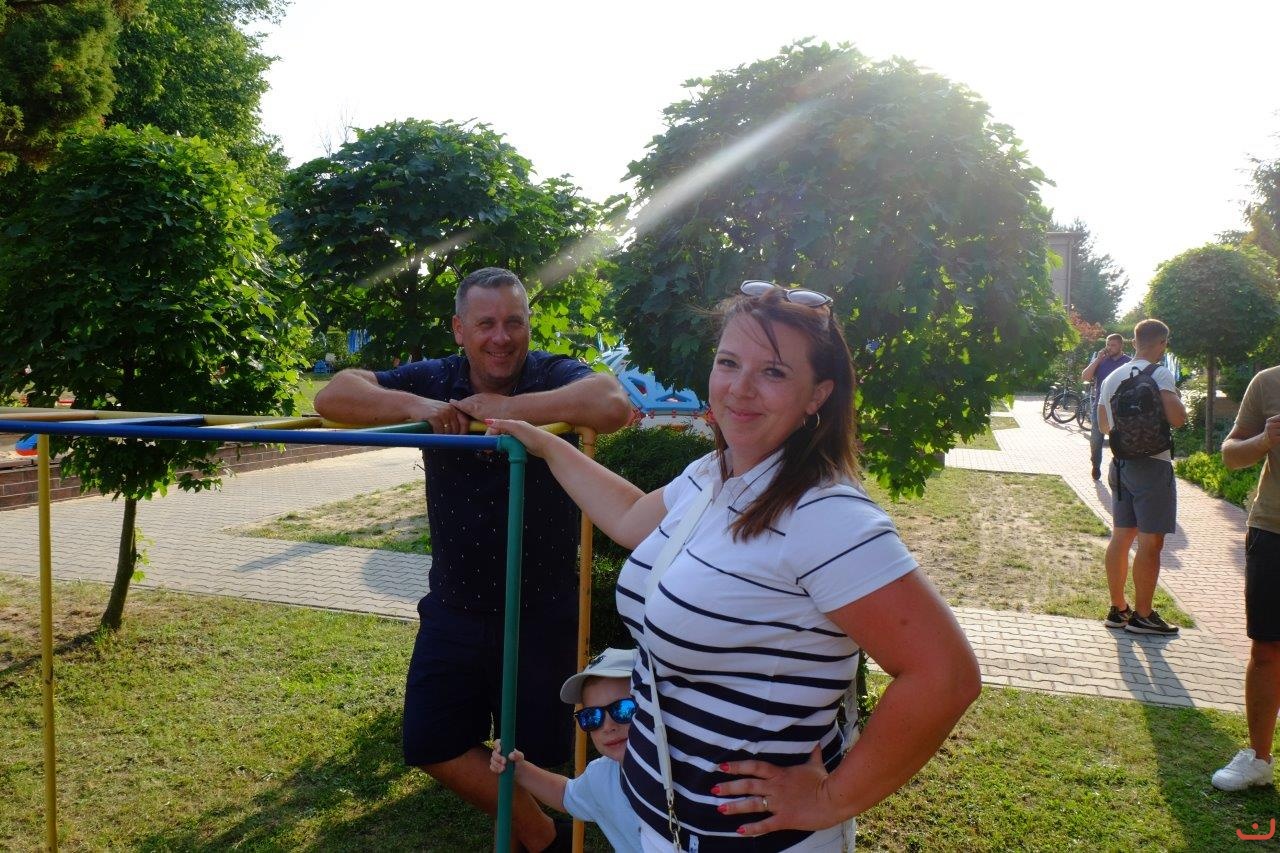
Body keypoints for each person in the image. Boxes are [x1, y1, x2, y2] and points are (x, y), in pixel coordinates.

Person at [488, 281, 980, 851]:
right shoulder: (715, 474)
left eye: (773, 372)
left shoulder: (825, 515)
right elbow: (629, 516)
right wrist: (549, 446)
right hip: (663, 823)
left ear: (817, 395)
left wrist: (831, 799)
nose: (739, 388)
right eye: (728, 363)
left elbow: (944, 676)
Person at [314, 267, 632, 852]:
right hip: (455, 604)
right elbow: (333, 395)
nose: (501, 337)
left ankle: (557, 834)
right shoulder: (439, 377)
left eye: (514, 322)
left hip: (541, 608)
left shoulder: (550, 372)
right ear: (460, 329)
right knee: (431, 741)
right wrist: (422, 405)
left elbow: (611, 403)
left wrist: (509, 410)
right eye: (485, 324)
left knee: (540, 750)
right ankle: (544, 838)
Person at [491, 647, 643, 852]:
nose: (608, 726)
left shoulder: (683, 768)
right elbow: (565, 793)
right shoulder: (602, 775)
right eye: (592, 716)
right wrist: (519, 769)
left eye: (624, 709)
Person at [1210, 366, 1280, 790]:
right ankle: (1258, 758)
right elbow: (1231, 454)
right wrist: (1265, 440)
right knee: (1267, 648)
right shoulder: (1269, 382)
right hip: (1273, 530)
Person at [1095, 318, 1187, 636]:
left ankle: (1118, 608)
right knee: (1151, 542)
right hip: (1153, 466)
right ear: (1162, 343)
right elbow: (1178, 418)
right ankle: (1143, 615)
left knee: (1121, 537)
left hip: (1121, 466)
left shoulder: (1113, 377)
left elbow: (1103, 425)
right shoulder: (1160, 374)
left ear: (1134, 342)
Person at [1081, 333, 1131, 480]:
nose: (1109, 348)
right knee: (1096, 439)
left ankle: (1119, 468)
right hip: (1100, 406)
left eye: (1113, 345)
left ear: (1121, 346)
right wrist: (1097, 360)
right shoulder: (1101, 361)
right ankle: (1096, 465)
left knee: (1120, 439)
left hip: (1120, 409)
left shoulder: (1128, 362)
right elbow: (1085, 377)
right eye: (1108, 345)